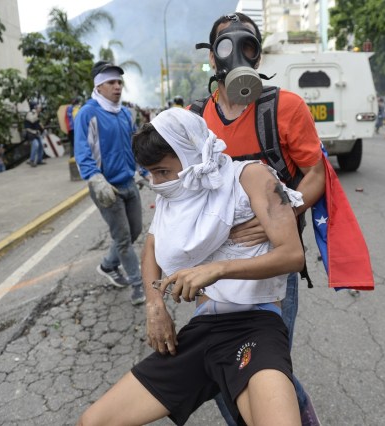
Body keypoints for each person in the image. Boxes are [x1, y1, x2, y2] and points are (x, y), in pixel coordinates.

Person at [77, 107, 305, 426]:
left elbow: (292, 255)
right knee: (94, 421)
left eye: (163, 172)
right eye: (151, 174)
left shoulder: (251, 177)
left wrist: (219, 268)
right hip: (200, 331)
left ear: (190, 154)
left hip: (254, 324)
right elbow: (151, 250)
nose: (158, 182)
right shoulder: (175, 194)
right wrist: (155, 307)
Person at [190, 12, 325, 425]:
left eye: (246, 45)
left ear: (257, 52)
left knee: (263, 358)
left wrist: (282, 215)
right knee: (221, 357)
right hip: (213, 262)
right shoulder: (196, 117)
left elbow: (315, 172)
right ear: (213, 59)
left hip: (272, 263)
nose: (236, 55)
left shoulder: (286, 107)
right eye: (225, 46)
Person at [74, 61, 147, 306]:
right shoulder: (88, 112)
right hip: (107, 188)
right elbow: (82, 150)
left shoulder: (125, 113)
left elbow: (135, 145)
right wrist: (95, 179)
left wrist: (144, 170)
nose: (117, 87)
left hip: (129, 183)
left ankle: (107, 265)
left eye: (119, 82)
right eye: (111, 83)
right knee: (124, 238)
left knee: (135, 230)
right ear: (99, 86)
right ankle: (137, 285)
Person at [24, 101, 45, 167]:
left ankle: (39, 160)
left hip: (36, 132)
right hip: (30, 133)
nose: (38, 108)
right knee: (36, 145)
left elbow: (36, 123)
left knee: (41, 145)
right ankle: (31, 160)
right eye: (37, 106)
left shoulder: (35, 113)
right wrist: (37, 112)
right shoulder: (29, 113)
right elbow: (32, 120)